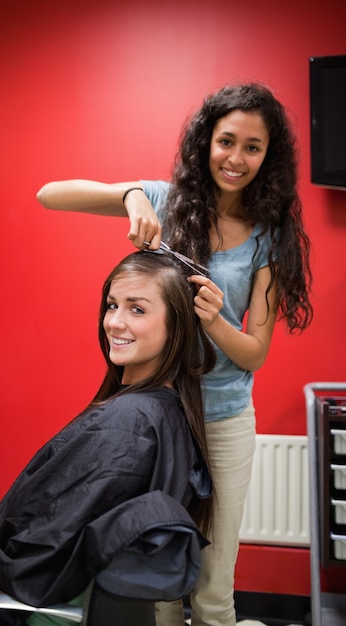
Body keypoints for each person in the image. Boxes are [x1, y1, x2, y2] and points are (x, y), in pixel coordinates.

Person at [36, 82, 313, 626]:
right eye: (226, 141)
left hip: (225, 423)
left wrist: (216, 319)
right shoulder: (165, 200)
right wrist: (131, 196)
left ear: (268, 157)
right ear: (205, 142)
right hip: (158, 418)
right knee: (157, 576)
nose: (235, 158)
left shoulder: (269, 238)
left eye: (252, 148)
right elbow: (49, 193)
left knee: (213, 587)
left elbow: (254, 353)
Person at [0, 251, 215, 626]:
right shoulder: (158, 413)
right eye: (112, 305)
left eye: (137, 310)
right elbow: (64, 513)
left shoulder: (130, 425)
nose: (114, 322)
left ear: (176, 326)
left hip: (5, 601)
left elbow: (53, 554)